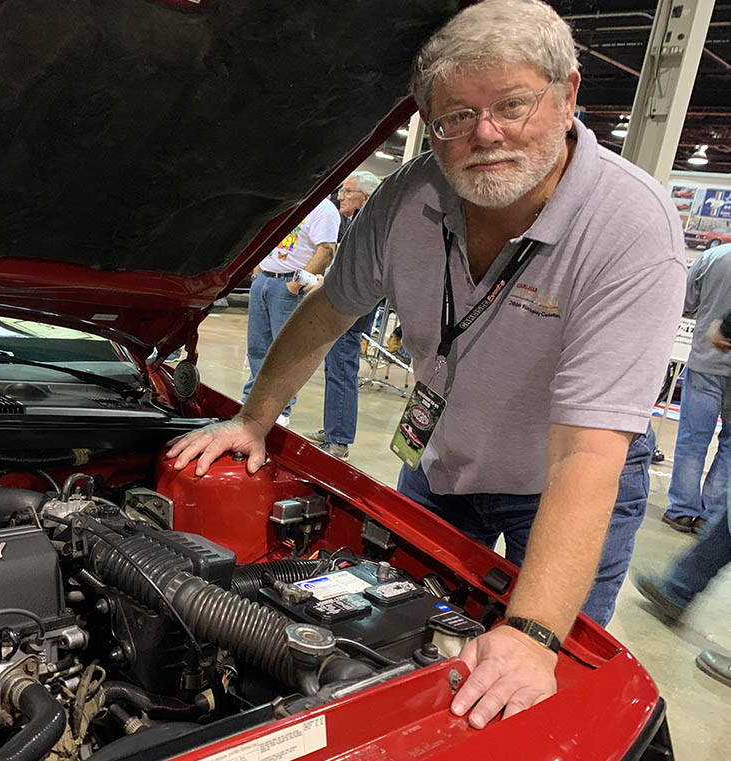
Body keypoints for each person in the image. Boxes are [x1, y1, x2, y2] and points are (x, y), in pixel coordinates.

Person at [167, 0, 685, 728]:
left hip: (560, 482)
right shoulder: (410, 197)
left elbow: (589, 449)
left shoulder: (631, 228)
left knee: (517, 689)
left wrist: (535, 634)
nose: (486, 134)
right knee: (400, 643)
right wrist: (254, 419)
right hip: (441, 463)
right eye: (454, 117)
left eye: (512, 103)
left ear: (567, 94)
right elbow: (327, 311)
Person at [634, 314, 731, 688]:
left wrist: (726, 329)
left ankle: (678, 586)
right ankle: (678, 589)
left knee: (694, 442)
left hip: (708, 366)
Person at [241, 196, 340, 426]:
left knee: (285, 350)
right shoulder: (290, 202)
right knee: (257, 347)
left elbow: (326, 250)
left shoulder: (324, 209)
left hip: (288, 286)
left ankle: (280, 408)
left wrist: (294, 285)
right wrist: (258, 271)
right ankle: (251, 399)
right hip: (264, 280)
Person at [307, 171, 382, 458]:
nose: (341, 196)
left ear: (365, 195)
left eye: (348, 192)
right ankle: (333, 429)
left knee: (341, 371)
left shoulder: (369, 225)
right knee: (335, 369)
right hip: (342, 304)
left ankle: (338, 440)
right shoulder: (354, 222)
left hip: (351, 310)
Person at [661, 242, 731, 534]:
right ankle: (711, 516)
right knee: (730, 445)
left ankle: (682, 510)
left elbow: (686, 303)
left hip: (706, 362)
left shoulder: (713, 257)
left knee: (692, 440)